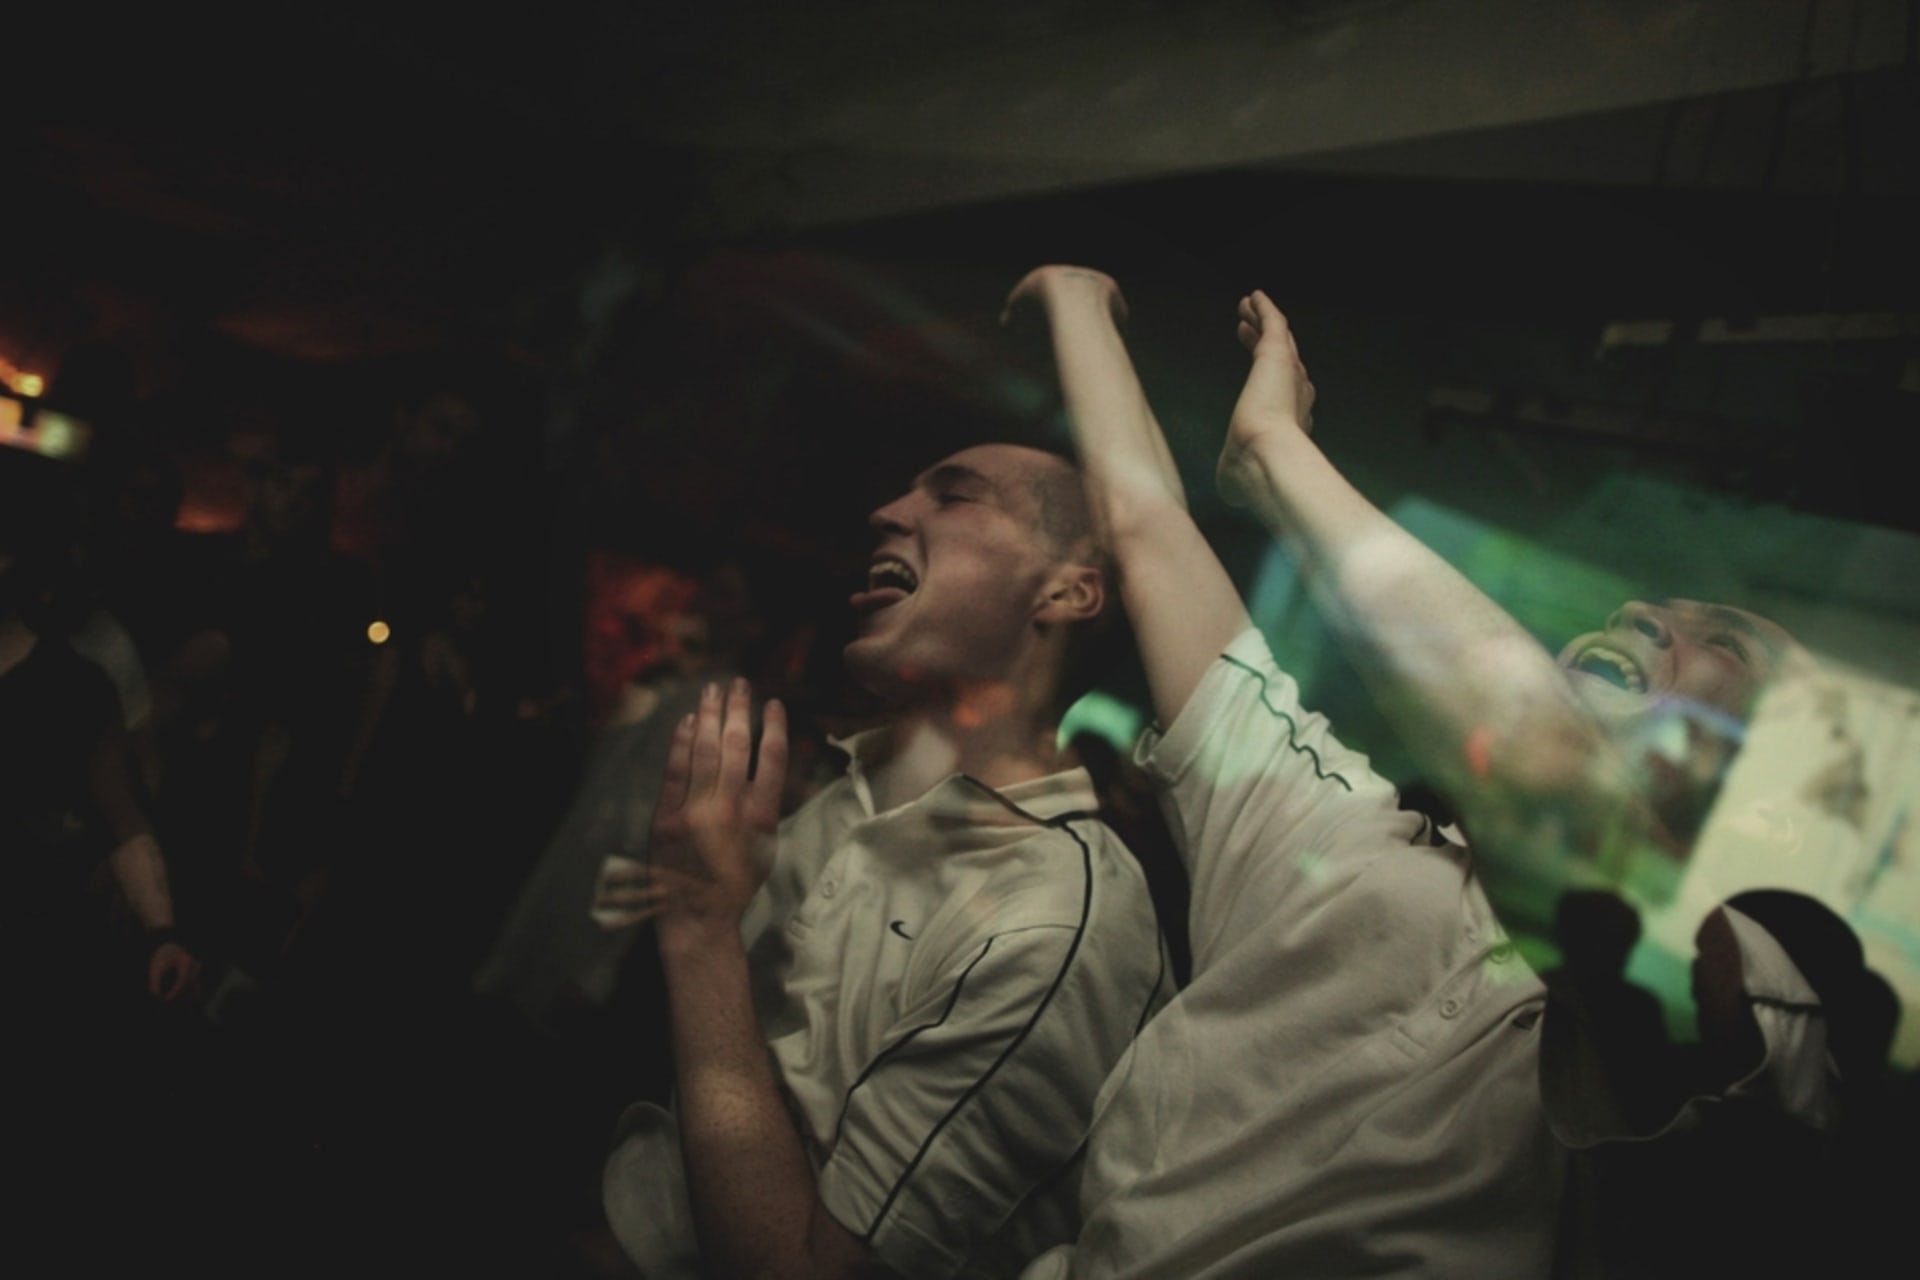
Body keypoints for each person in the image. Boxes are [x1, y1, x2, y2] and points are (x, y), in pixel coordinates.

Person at [1003, 265, 1836, 1277]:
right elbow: (1152, 544)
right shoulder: (1348, 839)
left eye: (1726, 646)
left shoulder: (1766, 999)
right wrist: (1080, 304)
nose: (1644, 616)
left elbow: (1548, 788)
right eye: (1644, 611)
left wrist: (1277, 456)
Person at [597, 439, 1168, 1279]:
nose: (886, 513)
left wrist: (700, 931)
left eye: (955, 496)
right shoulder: (854, 795)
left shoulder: (1055, 922)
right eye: (905, 494)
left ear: (1064, 591)